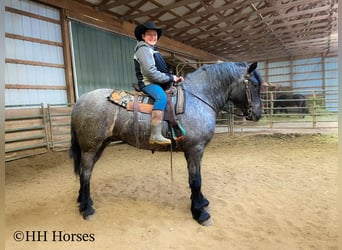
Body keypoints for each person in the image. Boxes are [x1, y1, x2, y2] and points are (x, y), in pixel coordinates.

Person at [133, 21, 183, 145]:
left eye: (155, 35)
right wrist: (171, 78)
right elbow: (151, 73)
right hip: (148, 83)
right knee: (161, 97)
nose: (153, 37)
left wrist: (173, 78)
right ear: (143, 36)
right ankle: (155, 134)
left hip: (157, 82)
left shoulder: (151, 50)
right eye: (149, 34)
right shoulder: (143, 50)